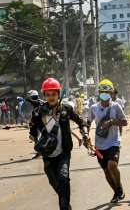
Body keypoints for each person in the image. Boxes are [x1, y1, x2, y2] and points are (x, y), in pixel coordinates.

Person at [30, 78, 87, 210]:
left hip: (64, 152)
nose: (51, 97)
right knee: (54, 182)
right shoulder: (37, 112)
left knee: (63, 178)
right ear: (44, 96)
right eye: (48, 94)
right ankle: (66, 204)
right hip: (47, 154)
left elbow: (81, 121)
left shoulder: (66, 109)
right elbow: (33, 131)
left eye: (53, 94)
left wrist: (84, 134)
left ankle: (64, 207)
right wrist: (36, 137)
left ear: (58, 94)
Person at [87, 79, 128, 203]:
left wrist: (111, 122)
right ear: (98, 93)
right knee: (106, 170)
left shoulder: (116, 106)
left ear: (111, 93)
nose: (104, 94)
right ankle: (116, 192)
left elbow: (124, 122)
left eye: (107, 91)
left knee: (112, 165)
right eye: (102, 91)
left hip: (114, 142)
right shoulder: (94, 108)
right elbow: (88, 122)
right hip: (99, 145)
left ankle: (119, 185)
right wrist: (85, 135)